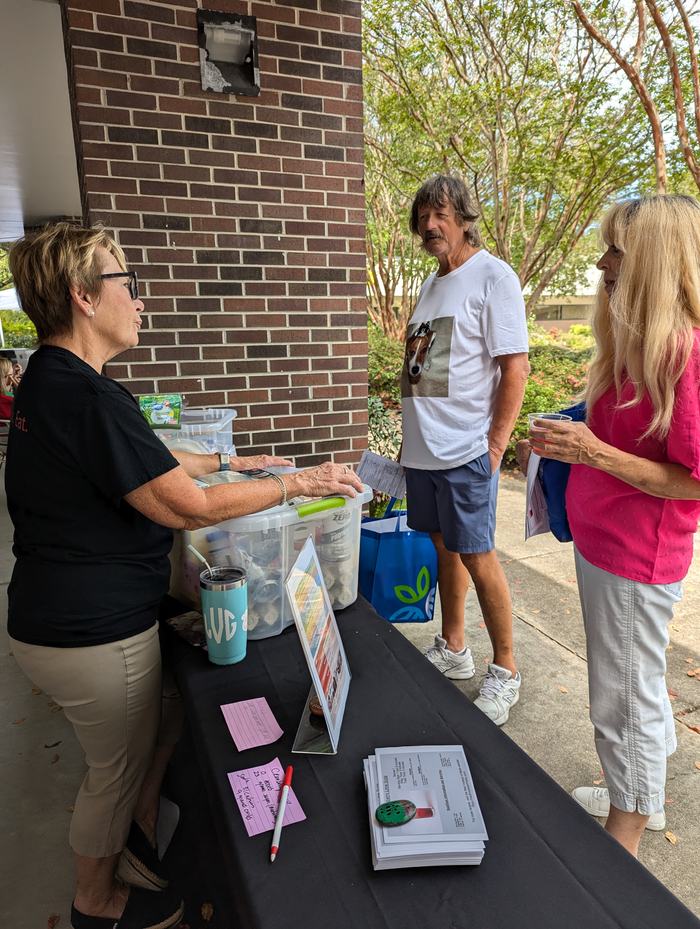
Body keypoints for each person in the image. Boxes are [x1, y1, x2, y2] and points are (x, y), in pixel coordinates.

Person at [5, 222, 363, 929]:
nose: (140, 302)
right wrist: (303, 481)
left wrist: (239, 464)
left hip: (54, 618)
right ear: (83, 295)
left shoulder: (57, 381)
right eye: (126, 284)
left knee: (162, 723)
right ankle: (97, 900)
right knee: (111, 771)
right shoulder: (86, 397)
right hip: (91, 634)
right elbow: (187, 505)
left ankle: (138, 834)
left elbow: (159, 457)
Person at [522, 195, 700, 857]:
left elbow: (693, 479)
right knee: (633, 686)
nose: (602, 263)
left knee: (623, 700)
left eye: (617, 251)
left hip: (635, 557)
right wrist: (556, 440)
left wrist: (594, 451)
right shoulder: (634, 343)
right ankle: (640, 797)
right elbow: (611, 431)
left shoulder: (683, 354)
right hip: (604, 546)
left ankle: (624, 833)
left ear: (654, 260)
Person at [400, 174, 530, 725]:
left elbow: (515, 368)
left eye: (441, 215)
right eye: (423, 217)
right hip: (424, 454)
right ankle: (453, 647)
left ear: (464, 218)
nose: (430, 226)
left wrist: (495, 447)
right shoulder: (432, 285)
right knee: (444, 549)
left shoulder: (493, 276)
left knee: (477, 555)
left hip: (465, 451)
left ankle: (506, 670)